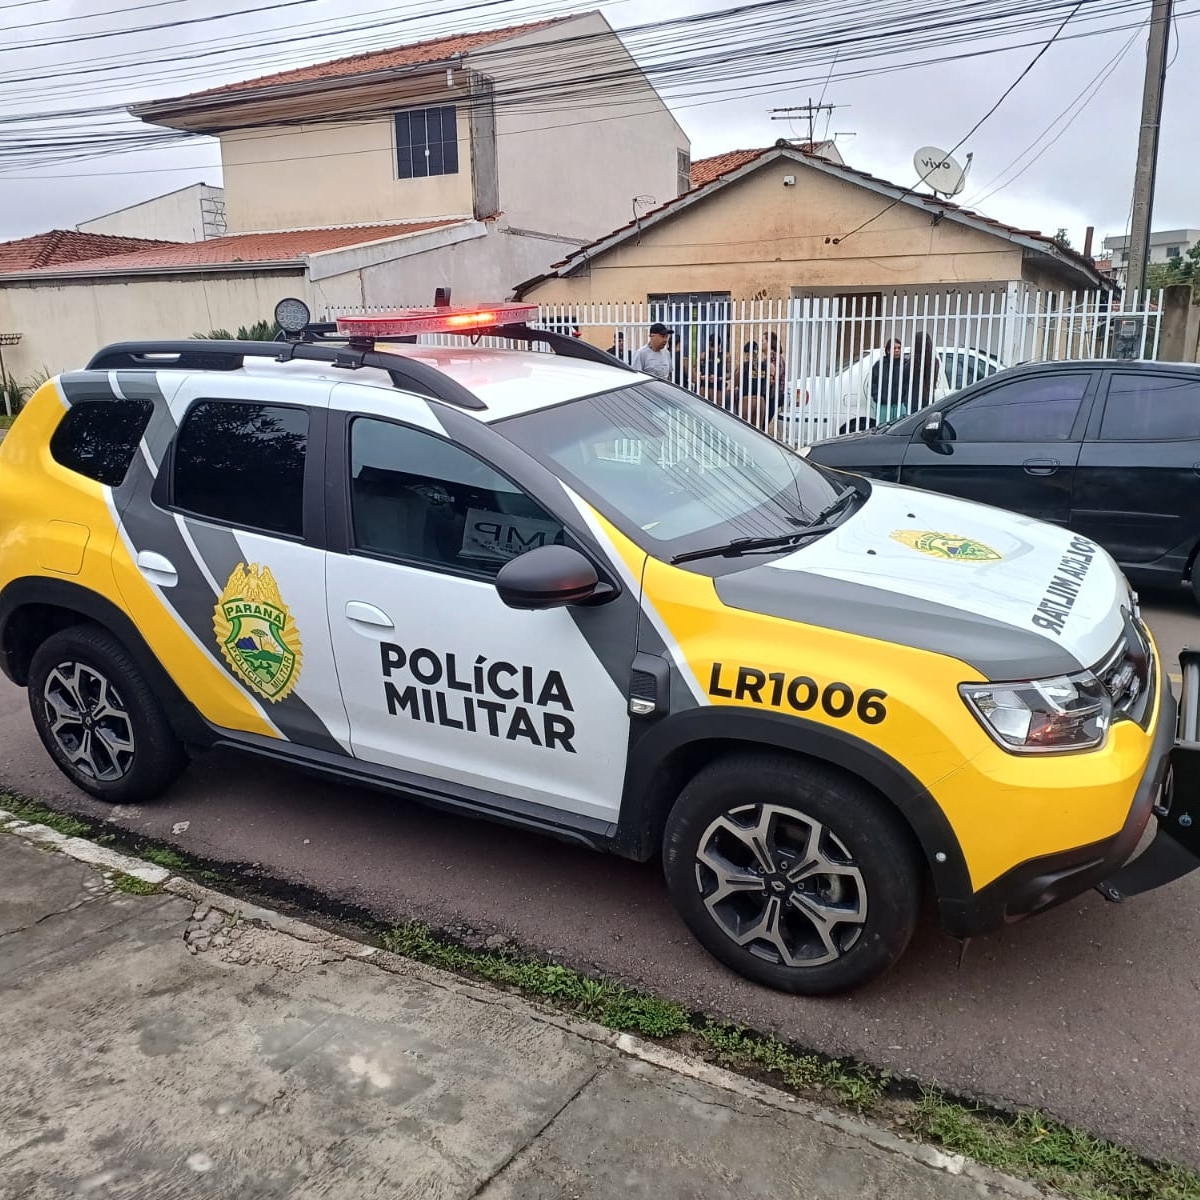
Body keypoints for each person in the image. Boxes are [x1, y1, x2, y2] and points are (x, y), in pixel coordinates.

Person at [870, 338, 908, 423]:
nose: (897, 350)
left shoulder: (905, 364)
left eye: (899, 348)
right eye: (894, 348)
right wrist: (878, 397)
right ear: (888, 350)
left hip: (900, 404)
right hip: (883, 405)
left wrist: (905, 398)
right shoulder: (880, 365)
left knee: (900, 427)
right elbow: (873, 383)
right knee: (883, 428)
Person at [906, 332, 941, 410]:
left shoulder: (911, 363)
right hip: (928, 398)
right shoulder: (935, 362)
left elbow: (905, 381)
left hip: (913, 400)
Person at [697, 332, 732, 409]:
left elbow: (730, 374)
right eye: (711, 346)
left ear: (719, 345)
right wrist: (701, 377)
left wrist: (718, 378)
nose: (712, 348)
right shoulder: (703, 355)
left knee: (718, 409)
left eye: (713, 345)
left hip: (719, 388)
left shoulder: (726, 356)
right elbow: (694, 370)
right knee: (702, 408)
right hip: (705, 386)